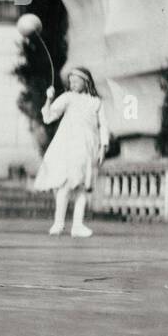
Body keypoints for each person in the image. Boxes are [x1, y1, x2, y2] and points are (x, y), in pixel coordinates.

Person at [35, 65, 109, 238]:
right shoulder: (68, 97)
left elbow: (103, 126)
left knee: (83, 186)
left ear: (86, 81)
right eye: (71, 81)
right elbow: (49, 117)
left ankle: (77, 225)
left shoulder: (96, 102)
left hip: (89, 146)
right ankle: (58, 223)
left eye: (76, 81)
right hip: (70, 145)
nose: (73, 84)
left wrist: (103, 147)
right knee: (67, 184)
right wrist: (49, 99)